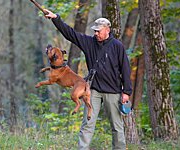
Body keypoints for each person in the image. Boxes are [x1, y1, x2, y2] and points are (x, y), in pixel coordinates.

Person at [43, 9, 132, 150]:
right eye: (95, 31)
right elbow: (70, 34)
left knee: (117, 126)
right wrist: (56, 18)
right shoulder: (89, 43)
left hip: (113, 91)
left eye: (98, 31)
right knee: (87, 125)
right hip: (93, 90)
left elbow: (125, 69)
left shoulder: (117, 46)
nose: (95, 33)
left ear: (107, 30)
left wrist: (126, 92)